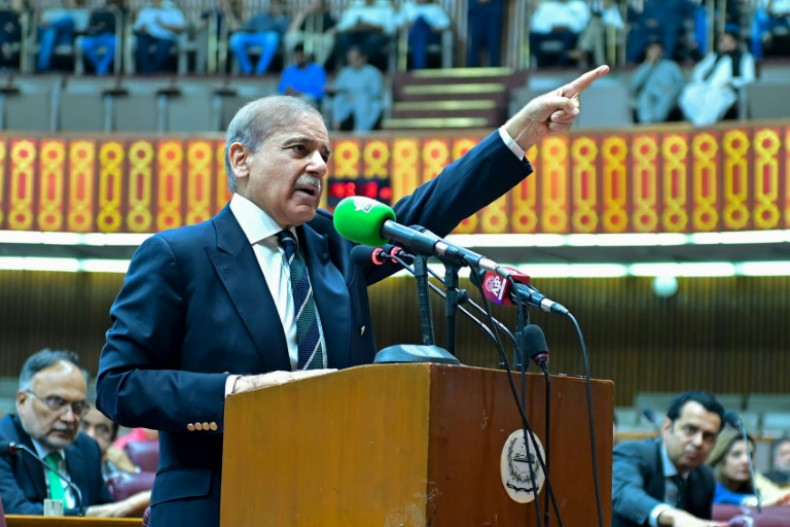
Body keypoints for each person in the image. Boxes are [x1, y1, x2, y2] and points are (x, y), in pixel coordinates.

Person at [96, 65, 610, 527]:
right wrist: (239, 391)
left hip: (335, 499)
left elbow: (424, 213)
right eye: (299, 149)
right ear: (241, 159)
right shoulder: (177, 256)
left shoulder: (334, 246)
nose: (319, 166)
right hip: (219, 504)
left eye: (324, 154)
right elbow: (119, 385)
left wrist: (521, 132)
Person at [0, 349, 147, 517]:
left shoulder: (87, 447)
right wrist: (94, 514)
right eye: (56, 401)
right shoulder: (4, 444)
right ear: (22, 401)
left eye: (78, 406)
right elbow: (13, 513)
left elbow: (107, 513)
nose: (70, 418)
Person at [612, 390, 727, 527]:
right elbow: (626, 494)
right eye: (690, 430)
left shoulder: (705, 477)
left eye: (708, 436)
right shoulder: (632, 454)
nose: (698, 442)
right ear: (667, 427)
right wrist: (673, 516)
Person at [678, 28, 755, 127]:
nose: (726, 44)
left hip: (727, 89)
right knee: (689, 93)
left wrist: (733, 82)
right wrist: (700, 82)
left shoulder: (745, 58)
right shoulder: (714, 57)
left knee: (714, 97)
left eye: (729, 41)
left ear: (736, 43)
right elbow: (699, 71)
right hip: (707, 87)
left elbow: (749, 78)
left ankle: (704, 125)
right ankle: (697, 121)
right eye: (723, 41)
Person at [707, 427, 790, 507]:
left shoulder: (753, 489)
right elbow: (722, 497)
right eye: (736, 454)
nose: (746, 461)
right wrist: (753, 502)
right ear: (720, 459)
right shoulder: (708, 486)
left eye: (750, 455)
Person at [326, 46, 383, 132]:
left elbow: (376, 92)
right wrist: (331, 89)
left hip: (366, 100)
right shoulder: (345, 72)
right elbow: (338, 87)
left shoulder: (372, 72)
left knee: (363, 100)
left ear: (363, 58)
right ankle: (336, 127)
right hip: (347, 99)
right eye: (350, 59)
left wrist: (357, 95)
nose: (352, 61)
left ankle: (361, 131)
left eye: (355, 58)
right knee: (338, 99)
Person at [630, 39, 685, 124]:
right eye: (652, 50)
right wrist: (649, 65)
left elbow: (680, 84)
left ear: (662, 52)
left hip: (666, 93)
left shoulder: (671, 66)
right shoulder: (643, 67)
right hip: (649, 93)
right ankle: (648, 124)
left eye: (657, 50)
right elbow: (634, 86)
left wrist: (673, 89)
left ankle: (657, 123)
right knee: (644, 97)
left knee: (666, 95)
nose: (654, 53)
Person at [228, 0, 290, 75]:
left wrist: (278, 18)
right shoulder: (260, 16)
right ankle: (247, 69)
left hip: (268, 38)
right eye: (273, 4)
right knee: (236, 39)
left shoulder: (284, 19)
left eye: (277, 4)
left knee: (272, 38)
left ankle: (260, 71)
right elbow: (246, 27)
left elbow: (285, 32)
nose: (274, 7)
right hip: (253, 36)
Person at [132, 0, 186, 74]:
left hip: (166, 36)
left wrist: (165, 26)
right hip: (149, 35)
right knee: (141, 41)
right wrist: (141, 28)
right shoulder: (146, 9)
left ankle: (151, 72)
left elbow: (181, 27)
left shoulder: (172, 9)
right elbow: (136, 28)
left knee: (162, 46)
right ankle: (145, 71)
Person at [397, 0, 451, 70]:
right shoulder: (407, 7)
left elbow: (445, 25)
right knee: (418, 25)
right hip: (410, 37)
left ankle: (418, 67)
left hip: (430, 36)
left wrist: (433, 27)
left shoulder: (434, 8)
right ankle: (420, 68)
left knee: (421, 23)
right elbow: (398, 25)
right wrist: (408, 24)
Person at [467, 0, 504, 67]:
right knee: (474, 44)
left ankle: (494, 71)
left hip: (494, 9)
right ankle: (471, 71)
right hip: (476, 9)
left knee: (494, 44)